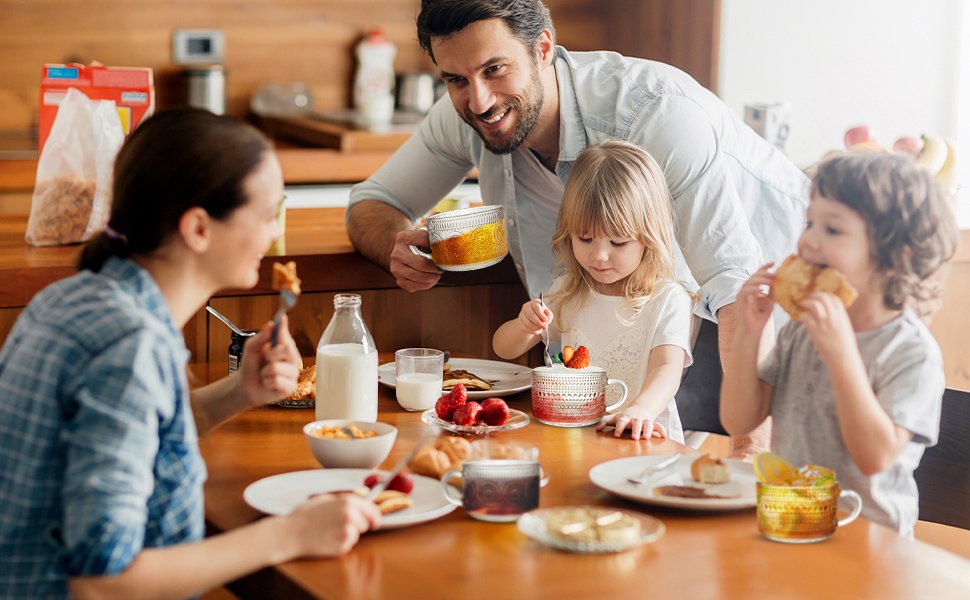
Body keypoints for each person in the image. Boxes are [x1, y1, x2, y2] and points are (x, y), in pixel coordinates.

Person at [345, 0, 809, 458]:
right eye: (456, 79)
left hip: (785, 304)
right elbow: (373, 203)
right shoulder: (468, 114)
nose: (479, 101)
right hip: (639, 348)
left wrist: (750, 460)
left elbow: (737, 287)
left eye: (495, 70)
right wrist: (392, 246)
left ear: (543, 48)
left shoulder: (657, 114)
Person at [0, 108, 382, 600]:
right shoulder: (130, 346)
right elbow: (102, 583)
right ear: (199, 228)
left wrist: (241, 391)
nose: (272, 235)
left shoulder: (77, 298)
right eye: (267, 215)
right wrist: (288, 535)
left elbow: (142, 433)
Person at [719, 151, 959, 537]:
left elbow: (875, 457)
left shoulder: (912, 353)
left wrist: (842, 355)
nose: (808, 240)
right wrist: (751, 331)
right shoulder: (801, 329)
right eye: (810, 221)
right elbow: (740, 419)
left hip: (870, 544)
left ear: (893, 254)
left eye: (833, 229)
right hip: (793, 524)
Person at [493, 141, 693, 442]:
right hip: (580, 437)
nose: (599, 255)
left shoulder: (667, 299)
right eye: (585, 238)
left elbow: (667, 369)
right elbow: (503, 348)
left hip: (643, 438)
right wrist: (524, 326)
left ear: (649, 237)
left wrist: (640, 410)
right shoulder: (569, 292)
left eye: (618, 242)